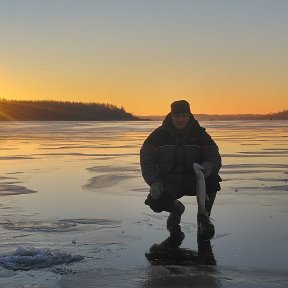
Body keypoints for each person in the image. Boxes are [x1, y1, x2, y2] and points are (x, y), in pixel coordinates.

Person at [140, 100, 222, 239]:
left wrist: (209, 166)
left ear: (189, 116)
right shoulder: (158, 135)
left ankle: (203, 217)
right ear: (171, 116)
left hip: (193, 180)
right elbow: (146, 159)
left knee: (212, 180)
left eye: (184, 116)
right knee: (155, 201)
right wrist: (154, 181)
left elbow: (213, 154)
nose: (180, 119)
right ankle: (177, 210)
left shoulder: (200, 134)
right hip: (168, 181)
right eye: (177, 116)